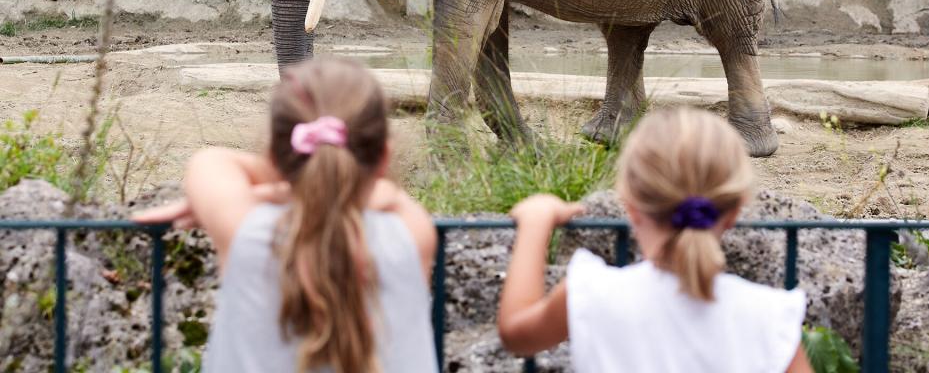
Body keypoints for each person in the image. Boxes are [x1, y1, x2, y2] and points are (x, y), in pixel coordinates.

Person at [134, 57, 438, 373]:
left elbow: (211, 160)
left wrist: (281, 188)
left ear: (273, 157)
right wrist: (338, 192)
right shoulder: (413, 231)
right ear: (383, 158)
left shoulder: (246, 230)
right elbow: (390, 195)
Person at [497, 107, 812, 373]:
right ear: (735, 209)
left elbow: (516, 333)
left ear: (629, 203)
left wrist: (536, 223)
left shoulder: (590, 295)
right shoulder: (771, 319)